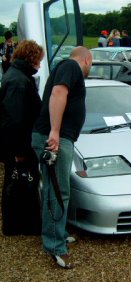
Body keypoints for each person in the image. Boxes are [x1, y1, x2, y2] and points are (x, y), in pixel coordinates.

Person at [31, 46, 92, 269]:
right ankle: (54, 245)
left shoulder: (67, 68)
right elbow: (58, 93)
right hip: (55, 138)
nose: (89, 68)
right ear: (86, 59)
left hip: (57, 137)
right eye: (91, 64)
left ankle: (56, 233)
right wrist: (55, 131)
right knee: (57, 192)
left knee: (54, 189)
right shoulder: (71, 66)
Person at [0, 39, 44, 235]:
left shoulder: (16, 75)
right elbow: (14, 118)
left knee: (17, 180)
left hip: (18, 141)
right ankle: (20, 225)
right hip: (20, 143)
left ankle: (18, 224)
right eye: (38, 60)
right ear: (31, 58)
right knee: (22, 181)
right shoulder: (19, 80)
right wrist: (19, 150)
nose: (40, 65)